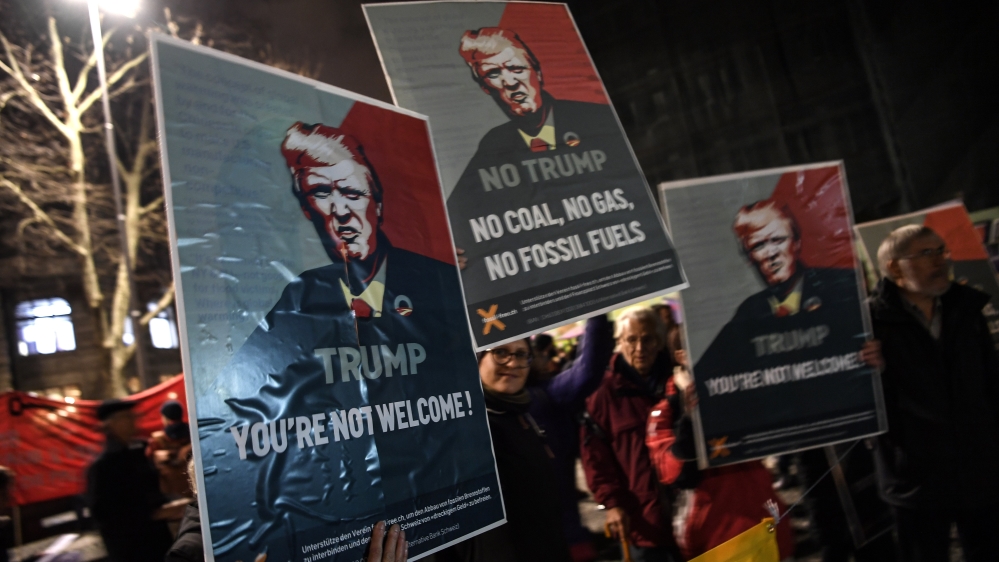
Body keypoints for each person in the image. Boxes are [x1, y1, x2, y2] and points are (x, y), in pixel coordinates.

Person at [194, 123, 492, 562]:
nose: (340, 211)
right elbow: (241, 411)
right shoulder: (299, 298)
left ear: (378, 202)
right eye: (320, 195)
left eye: (352, 193)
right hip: (355, 526)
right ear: (306, 211)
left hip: (441, 515)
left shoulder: (441, 284)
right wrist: (212, 460)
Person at [448, 28, 666, 300]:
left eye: (516, 68)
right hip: (558, 299)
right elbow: (456, 219)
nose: (509, 81)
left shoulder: (599, 122)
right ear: (484, 87)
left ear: (537, 72)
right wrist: (445, 251)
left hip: (629, 285)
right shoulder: (494, 145)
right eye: (493, 74)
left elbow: (645, 199)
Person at [870, 225, 999, 562]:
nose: (940, 260)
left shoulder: (967, 309)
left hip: (980, 471)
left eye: (942, 251)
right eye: (926, 253)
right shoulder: (868, 323)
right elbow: (865, 405)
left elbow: (991, 382)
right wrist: (876, 370)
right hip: (915, 476)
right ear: (895, 267)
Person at [645, 335, 795, 560]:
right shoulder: (664, 413)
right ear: (681, 356)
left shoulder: (738, 389)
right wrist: (689, 417)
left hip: (768, 527)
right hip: (717, 540)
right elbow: (679, 475)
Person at [437, 337, 573, 562]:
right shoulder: (463, 429)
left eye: (521, 354)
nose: (512, 363)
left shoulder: (522, 416)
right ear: (477, 360)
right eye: (501, 352)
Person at [580, 309, 681, 562]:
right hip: (643, 523)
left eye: (647, 339)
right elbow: (595, 459)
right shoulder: (602, 394)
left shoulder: (678, 381)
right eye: (631, 339)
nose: (639, 348)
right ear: (619, 343)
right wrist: (612, 504)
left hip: (691, 515)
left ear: (659, 342)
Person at [86, 399, 186, 562]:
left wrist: (172, 505)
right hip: (131, 549)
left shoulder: (138, 453)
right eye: (126, 417)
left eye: (133, 416)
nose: (133, 421)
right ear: (111, 424)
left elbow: (151, 491)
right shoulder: (102, 467)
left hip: (158, 541)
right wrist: (154, 514)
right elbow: (106, 515)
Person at [146, 399, 192, 498]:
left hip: (173, 496)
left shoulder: (157, 440)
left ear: (165, 417)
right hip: (195, 490)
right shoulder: (193, 434)